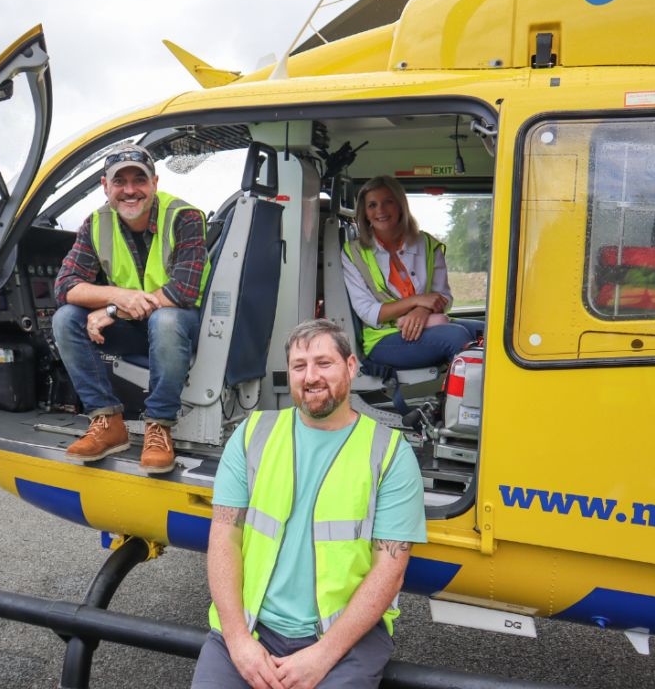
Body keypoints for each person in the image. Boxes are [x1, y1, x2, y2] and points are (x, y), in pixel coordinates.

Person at [192, 319, 427, 689]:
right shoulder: (252, 434)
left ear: (350, 367)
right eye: (299, 366)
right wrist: (238, 641)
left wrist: (323, 655)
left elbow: (389, 572)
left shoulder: (390, 455)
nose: (310, 376)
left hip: (343, 639)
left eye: (324, 363)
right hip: (251, 629)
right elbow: (223, 540)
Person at [52, 144, 211, 472]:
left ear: (154, 182)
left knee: (165, 320)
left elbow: (182, 291)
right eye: (119, 181)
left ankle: (158, 427)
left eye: (139, 180)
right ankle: (108, 421)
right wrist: (118, 296)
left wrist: (113, 310)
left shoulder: (185, 217)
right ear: (105, 186)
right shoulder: (95, 223)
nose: (129, 190)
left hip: (183, 327)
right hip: (139, 328)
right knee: (66, 318)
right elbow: (65, 286)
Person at [341, 175, 484, 369]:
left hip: (428, 324)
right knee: (456, 336)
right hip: (384, 338)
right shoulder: (353, 252)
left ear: (400, 206)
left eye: (388, 202)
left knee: (490, 333)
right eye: (372, 205)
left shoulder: (426, 243)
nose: (380, 210)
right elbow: (368, 312)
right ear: (365, 213)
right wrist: (416, 301)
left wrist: (422, 310)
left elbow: (444, 298)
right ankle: (474, 399)